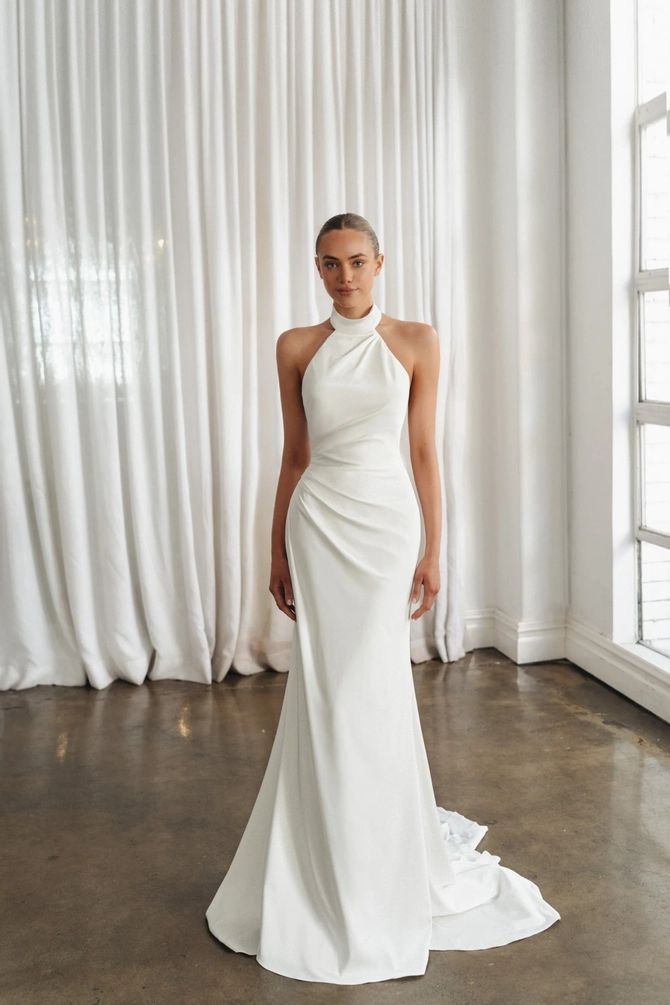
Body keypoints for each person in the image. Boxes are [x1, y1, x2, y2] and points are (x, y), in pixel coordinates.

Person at [205, 212, 560, 985]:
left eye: (358, 261)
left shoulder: (418, 340)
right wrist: (274, 547)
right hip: (318, 522)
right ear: (317, 268)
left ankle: (380, 852)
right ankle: (322, 852)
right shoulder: (296, 347)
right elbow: (294, 453)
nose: (345, 277)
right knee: (327, 691)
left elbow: (425, 449)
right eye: (330, 265)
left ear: (381, 261)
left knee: (373, 686)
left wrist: (435, 547)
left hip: (385, 522)